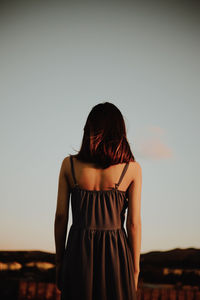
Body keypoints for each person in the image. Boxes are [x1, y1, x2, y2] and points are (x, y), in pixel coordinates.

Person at [54, 102, 142, 300]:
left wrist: (60, 262)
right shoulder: (132, 169)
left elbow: (61, 216)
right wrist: (135, 269)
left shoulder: (69, 165)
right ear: (120, 131)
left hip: (77, 252)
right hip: (116, 254)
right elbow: (134, 224)